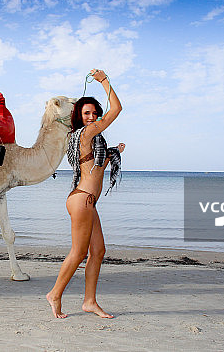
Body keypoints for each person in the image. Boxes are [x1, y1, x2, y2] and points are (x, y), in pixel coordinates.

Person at [46, 68, 125, 319]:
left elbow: (94, 167)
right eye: (87, 113)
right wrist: (104, 81)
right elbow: (117, 110)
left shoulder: (91, 139)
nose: (92, 116)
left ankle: (90, 301)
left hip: (87, 201)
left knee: (98, 251)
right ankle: (55, 294)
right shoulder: (86, 133)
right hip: (82, 200)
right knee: (79, 253)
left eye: (95, 113)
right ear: (80, 117)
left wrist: (113, 152)